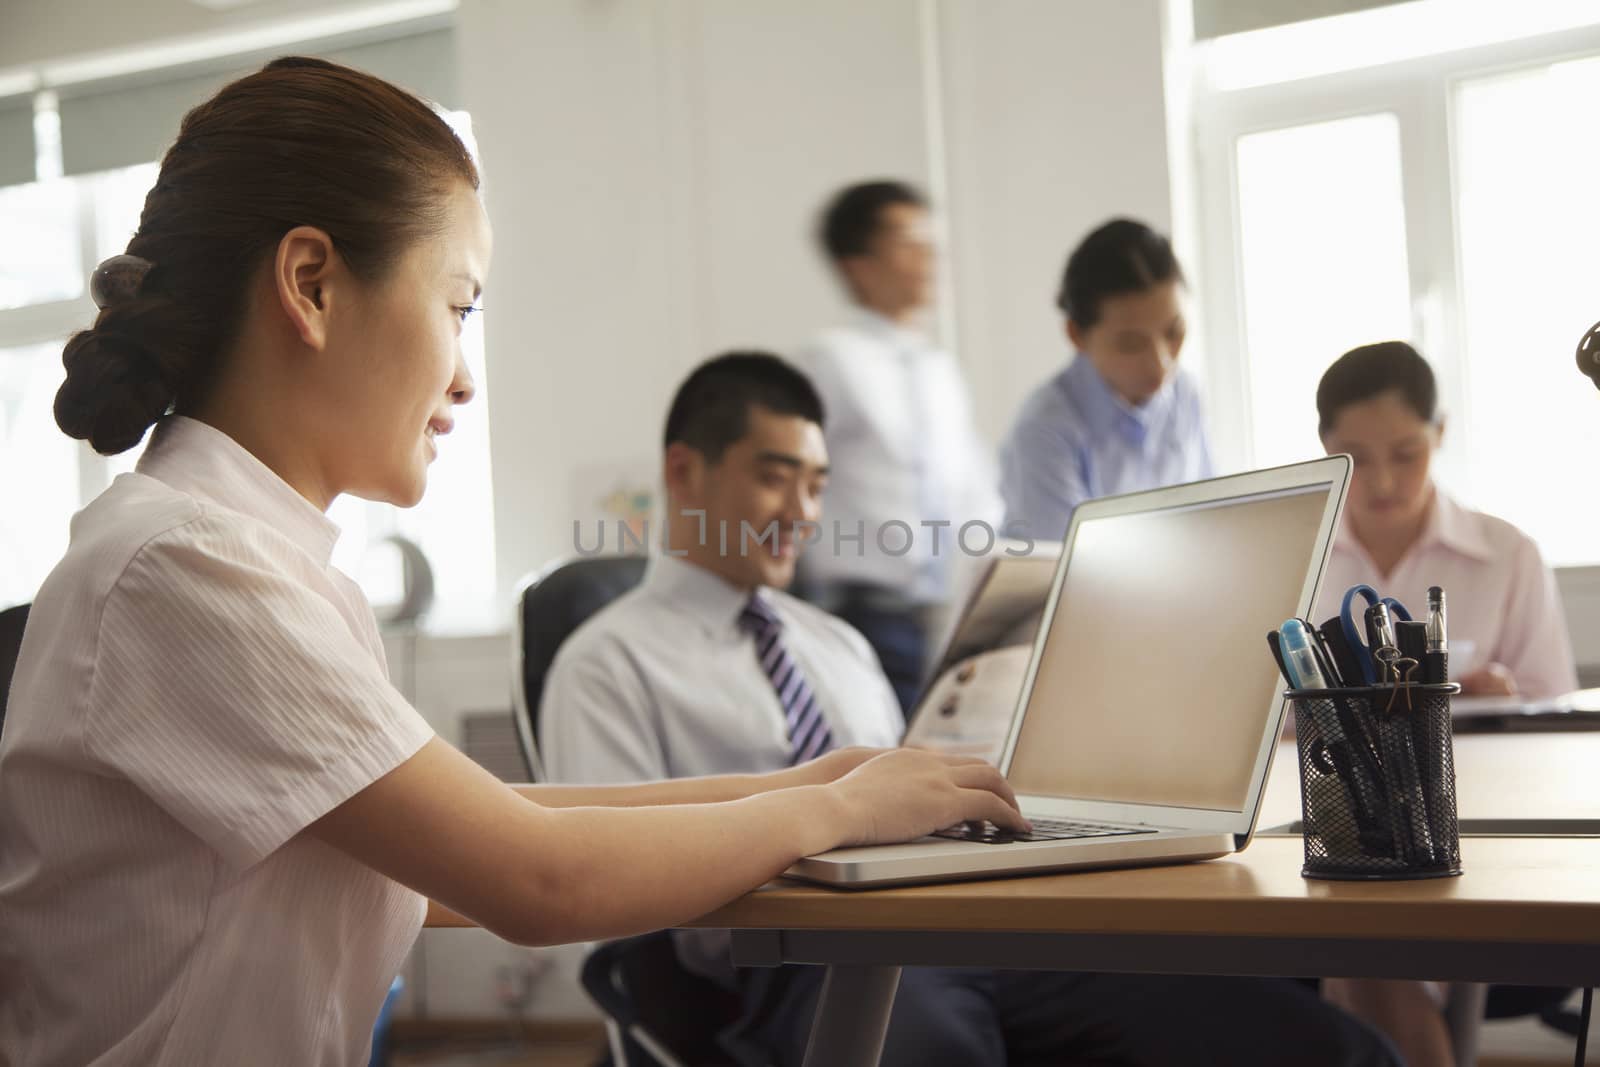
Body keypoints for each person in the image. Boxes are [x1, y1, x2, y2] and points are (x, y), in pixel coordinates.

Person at [0, 60, 1028, 1067]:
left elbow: (493, 826)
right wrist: (835, 810)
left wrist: (803, 780)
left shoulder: (248, 562)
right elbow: (537, 879)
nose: (464, 381)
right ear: (311, 284)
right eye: (458, 309)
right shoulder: (186, 568)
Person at [543, 352, 1403, 1067]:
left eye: (816, 485)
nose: (803, 514)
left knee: (1316, 1043)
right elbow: (615, 894)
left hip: (963, 924)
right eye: (776, 479)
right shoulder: (605, 665)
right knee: (937, 1041)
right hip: (800, 962)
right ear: (684, 469)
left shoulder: (833, 644)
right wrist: (812, 836)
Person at [794, 180, 1002, 714]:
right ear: (857, 264)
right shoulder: (830, 362)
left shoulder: (939, 371)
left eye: (933, 244)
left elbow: (975, 495)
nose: (929, 260)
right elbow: (791, 473)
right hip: (861, 614)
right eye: (909, 244)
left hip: (943, 615)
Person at [1312, 341, 1576, 700]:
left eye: (1405, 455)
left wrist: (1503, 705)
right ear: (1326, 447)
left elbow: (1553, 706)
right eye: (1356, 458)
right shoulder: (1293, 560)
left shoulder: (1510, 555)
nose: (1383, 482)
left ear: (1440, 431)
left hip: (1483, 758)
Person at [999, 218, 1213, 541]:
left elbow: (1213, 518)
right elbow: (1071, 577)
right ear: (1077, 336)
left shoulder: (1185, 394)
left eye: (1174, 333)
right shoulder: (1044, 431)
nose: (1160, 364)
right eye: (1131, 344)